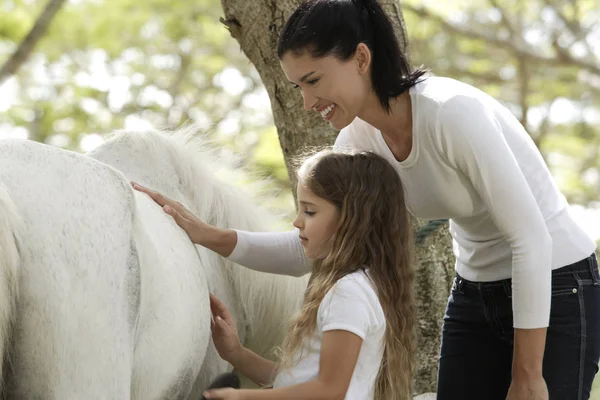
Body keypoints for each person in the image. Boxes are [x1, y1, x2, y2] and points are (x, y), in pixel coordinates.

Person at [135, 0, 600, 399]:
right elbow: (318, 247)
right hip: (475, 288)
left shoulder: (452, 114)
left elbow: (530, 239)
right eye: (298, 86)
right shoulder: (356, 141)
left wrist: (527, 376)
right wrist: (207, 235)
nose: (306, 101)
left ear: (360, 58)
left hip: (557, 282)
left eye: (313, 80)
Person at [136, 149, 417, 399]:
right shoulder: (356, 288)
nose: (296, 222)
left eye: (309, 211)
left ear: (352, 221)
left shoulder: (350, 293)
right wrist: (236, 353)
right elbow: (300, 382)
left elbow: (329, 391)